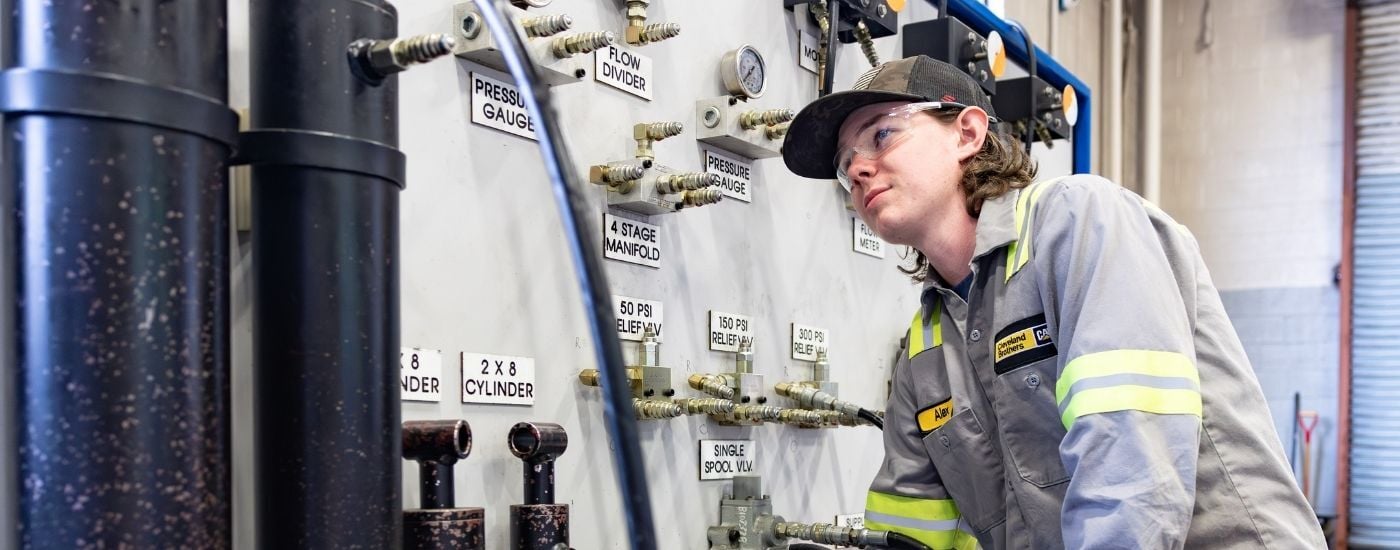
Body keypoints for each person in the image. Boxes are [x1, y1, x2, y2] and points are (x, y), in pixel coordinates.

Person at [781, 55, 1326, 549]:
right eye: (845, 163)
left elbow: (1132, 473)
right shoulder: (925, 349)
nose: (856, 169)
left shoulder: (1079, 221)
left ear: (966, 132)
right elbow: (913, 529)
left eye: (881, 136)